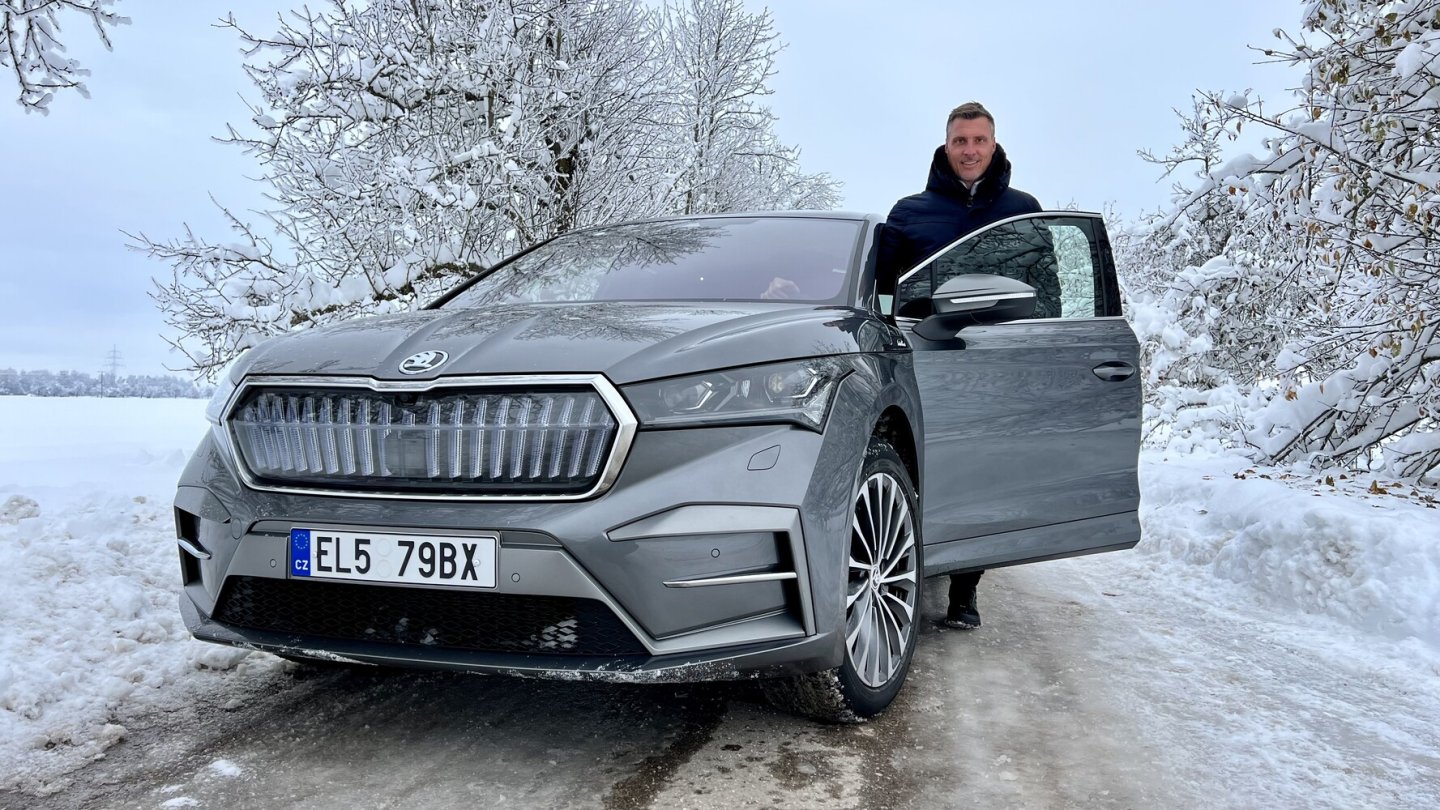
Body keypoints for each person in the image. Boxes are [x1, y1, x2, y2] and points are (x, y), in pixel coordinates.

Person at [878, 101, 1042, 630]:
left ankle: (965, 587)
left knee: (982, 468)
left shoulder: (1023, 210)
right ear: (946, 145)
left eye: (978, 140)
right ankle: (900, 567)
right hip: (926, 353)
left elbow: (1045, 289)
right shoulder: (910, 212)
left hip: (996, 359)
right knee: (925, 462)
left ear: (993, 144)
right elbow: (879, 287)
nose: (969, 150)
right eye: (960, 141)